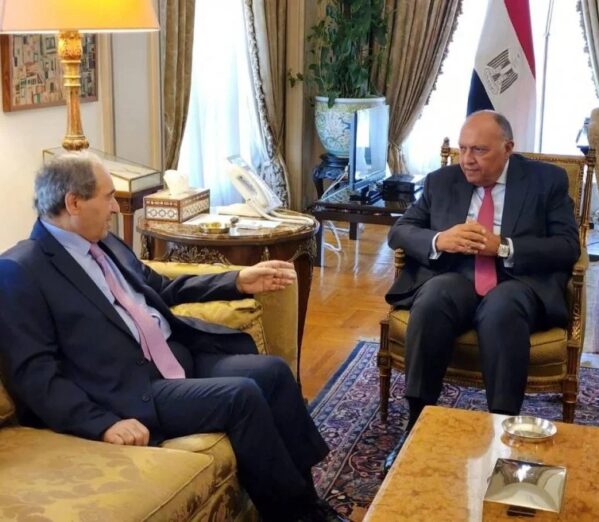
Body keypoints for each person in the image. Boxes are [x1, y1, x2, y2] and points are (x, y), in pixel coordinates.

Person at [0, 151, 346, 522]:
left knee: (273, 372)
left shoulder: (104, 243)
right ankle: (296, 517)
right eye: (108, 197)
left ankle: (309, 502)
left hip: (175, 356)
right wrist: (100, 423)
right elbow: (34, 374)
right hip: (132, 389)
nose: (115, 207)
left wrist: (236, 281)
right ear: (73, 202)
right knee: (241, 395)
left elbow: (160, 287)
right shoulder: (20, 270)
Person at [383, 110, 579, 469]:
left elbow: (568, 246)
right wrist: (441, 239)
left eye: (479, 150)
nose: (467, 160)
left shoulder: (546, 181)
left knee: (502, 309)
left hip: (517, 281)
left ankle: (504, 430)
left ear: (508, 148)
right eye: (463, 148)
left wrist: (503, 247)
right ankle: (416, 423)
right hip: (457, 274)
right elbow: (400, 231)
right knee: (433, 298)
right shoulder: (441, 181)